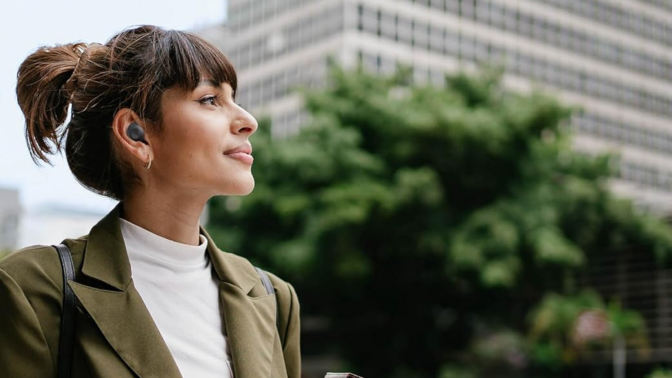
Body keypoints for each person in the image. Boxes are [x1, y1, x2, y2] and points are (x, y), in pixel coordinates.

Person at [0, 25, 300, 378]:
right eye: (209, 100)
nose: (248, 121)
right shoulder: (33, 288)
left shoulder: (274, 298)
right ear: (135, 133)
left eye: (234, 98)